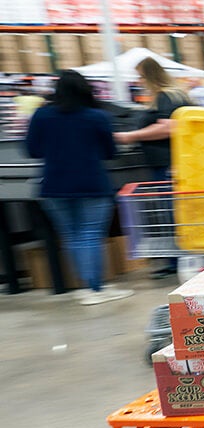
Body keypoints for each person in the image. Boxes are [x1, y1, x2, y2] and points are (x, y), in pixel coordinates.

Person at [26, 70, 135, 305]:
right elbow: (110, 152)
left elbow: (32, 150)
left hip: (54, 185)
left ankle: (86, 287)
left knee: (72, 236)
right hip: (91, 183)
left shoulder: (41, 115)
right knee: (91, 234)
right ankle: (95, 289)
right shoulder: (97, 117)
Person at [116, 56, 192, 279]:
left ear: (150, 76)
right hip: (168, 164)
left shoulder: (167, 97)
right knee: (172, 213)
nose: (139, 82)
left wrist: (131, 136)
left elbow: (169, 127)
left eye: (140, 77)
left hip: (170, 165)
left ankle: (180, 260)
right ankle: (177, 259)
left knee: (173, 214)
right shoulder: (172, 96)